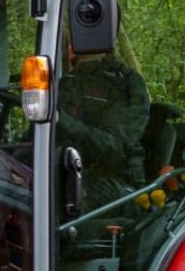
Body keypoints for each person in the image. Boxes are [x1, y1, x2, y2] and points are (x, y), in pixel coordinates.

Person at [57, 46, 149, 212]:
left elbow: (114, 147)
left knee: (60, 196)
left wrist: (61, 120)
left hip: (117, 179)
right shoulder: (65, 85)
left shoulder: (124, 84)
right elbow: (36, 138)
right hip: (68, 172)